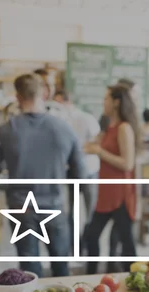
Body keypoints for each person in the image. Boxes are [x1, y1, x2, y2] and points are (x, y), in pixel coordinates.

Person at [0, 74, 86, 277]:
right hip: (54, 205)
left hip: (21, 208)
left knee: (30, 271)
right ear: (44, 94)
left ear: (18, 97)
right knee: (61, 267)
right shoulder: (64, 128)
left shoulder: (5, 130)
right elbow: (80, 175)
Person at [84, 84, 141, 274]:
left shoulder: (124, 128)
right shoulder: (109, 127)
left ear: (116, 102)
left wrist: (99, 151)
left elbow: (127, 164)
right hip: (106, 193)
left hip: (120, 195)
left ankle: (134, 282)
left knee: (127, 245)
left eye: (106, 98)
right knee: (91, 236)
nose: (103, 102)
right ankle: (91, 277)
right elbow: (93, 146)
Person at [52, 89, 101, 254]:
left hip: (89, 169)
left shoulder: (85, 118)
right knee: (75, 210)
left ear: (66, 101)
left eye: (58, 102)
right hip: (73, 171)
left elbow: (97, 142)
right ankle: (77, 245)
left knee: (91, 210)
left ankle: (88, 242)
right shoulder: (59, 121)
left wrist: (79, 149)